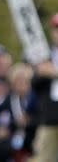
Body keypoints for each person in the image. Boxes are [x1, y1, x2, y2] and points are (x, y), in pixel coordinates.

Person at [30, 13, 58, 162]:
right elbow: (34, 85)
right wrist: (40, 73)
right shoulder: (44, 55)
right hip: (50, 117)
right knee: (44, 157)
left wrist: (54, 72)